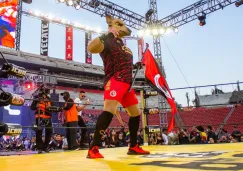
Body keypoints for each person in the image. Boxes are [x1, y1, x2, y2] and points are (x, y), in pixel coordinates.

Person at [86, 15, 150, 158]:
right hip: (115, 81)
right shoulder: (107, 40)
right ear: (111, 25)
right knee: (109, 110)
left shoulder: (123, 46)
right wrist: (106, 34)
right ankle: (93, 148)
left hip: (127, 84)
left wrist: (134, 66)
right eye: (119, 24)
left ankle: (133, 146)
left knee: (135, 113)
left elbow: (122, 62)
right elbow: (91, 48)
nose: (124, 27)